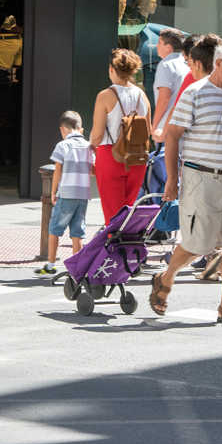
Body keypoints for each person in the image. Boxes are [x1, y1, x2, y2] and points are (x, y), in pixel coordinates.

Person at [149, 42, 222, 323]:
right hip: (202, 177)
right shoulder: (194, 93)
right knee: (198, 243)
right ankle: (166, 277)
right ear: (218, 63)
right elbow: (172, 136)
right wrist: (172, 179)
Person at [88, 49, 150, 223]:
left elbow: (97, 136)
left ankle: (114, 249)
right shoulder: (142, 96)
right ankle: (127, 248)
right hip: (137, 158)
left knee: (112, 216)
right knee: (127, 213)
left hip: (110, 155)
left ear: (111, 69)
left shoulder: (105, 96)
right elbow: (149, 130)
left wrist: (90, 145)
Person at [38, 110, 94, 276]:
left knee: (55, 228)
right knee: (78, 232)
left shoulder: (62, 145)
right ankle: (77, 267)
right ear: (81, 129)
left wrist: (53, 192)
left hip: (66, 193)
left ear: (63, 129)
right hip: (83, 195)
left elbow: (58, 170)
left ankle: (50, 265)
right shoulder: (88, 146)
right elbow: (92, 170)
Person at [150, 29, 188, 143]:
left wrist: (154, 126)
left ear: (169, 47)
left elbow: (164, 98)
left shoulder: (166, 65)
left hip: (165, 130)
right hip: (183, 128)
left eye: (160, 43)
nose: (156, 46)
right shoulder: (187, 65)